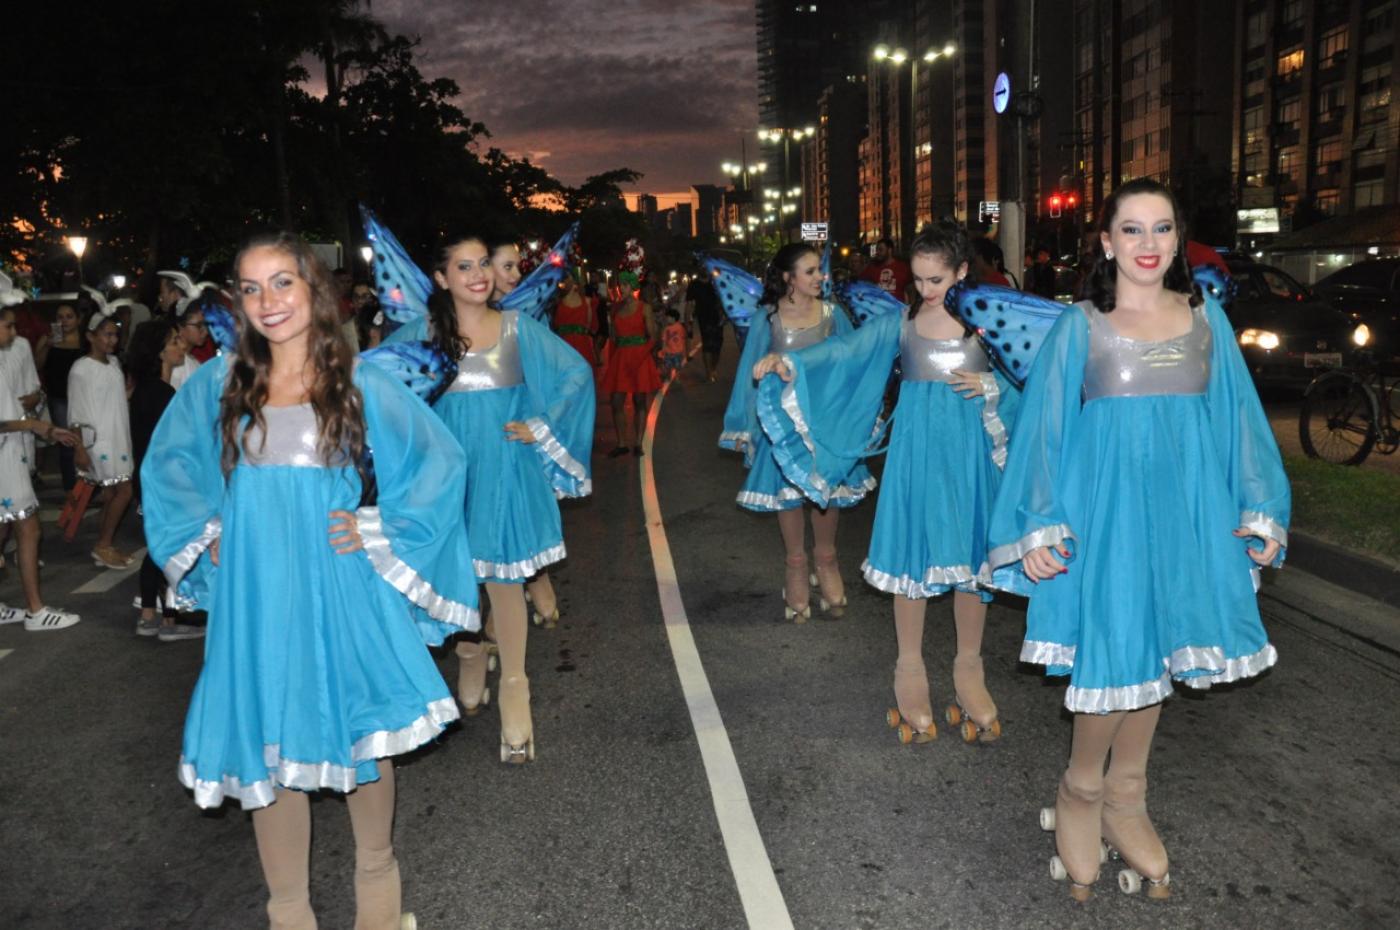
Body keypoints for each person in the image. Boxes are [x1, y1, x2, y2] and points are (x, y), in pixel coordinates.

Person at [143, 232, 478, 929]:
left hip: (340, 583)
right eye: (252, 287)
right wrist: (208, 536)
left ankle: (378, 897)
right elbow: (172, 466)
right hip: (256, 594)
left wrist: (379, 526)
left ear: (314, 290)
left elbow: (439, 461)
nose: (268, 301)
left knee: (360, 733)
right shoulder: (220, 380)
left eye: (283, 283)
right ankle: (289, 913)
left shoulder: (359, 380)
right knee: (270, 744)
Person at [987, 178, 1290, 900]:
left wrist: (1257, 508)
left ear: (1177, 239)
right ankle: (1080, 789)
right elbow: (1044, 432)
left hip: (1186, 518)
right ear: (1106, 242)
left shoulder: (1205, 316)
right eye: (1132, 229)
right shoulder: (1081, 324)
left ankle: (1128, 793)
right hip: (1105, 519)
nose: (1148, 244)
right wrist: (1037, 523)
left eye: (1161, 229)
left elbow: (1239, 419)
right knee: (1115, 652)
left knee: (1156, 649)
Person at [752, 222, 1016, 742]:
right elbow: (842, 354)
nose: (926, 290)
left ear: (963, 272)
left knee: (971, 559)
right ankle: (909, 668)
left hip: (969, 454)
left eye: (936, 279)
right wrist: (789, 360)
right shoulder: (901, 323)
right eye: (917, 280)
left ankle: (969, 667)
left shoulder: (989, 325)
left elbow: (1032, 375)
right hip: (917, 456)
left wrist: (992, 383)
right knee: (911, 555)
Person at [386, 231, 594, 762]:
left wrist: (542, 422)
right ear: (440, 278)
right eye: (463, 266)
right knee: (455, 577)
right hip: (444, 478)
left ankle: (516, 687)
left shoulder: (518, 328)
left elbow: (575, 373)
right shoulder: (420, 335)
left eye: (483, 263)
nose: (478, 274)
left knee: (503, 578)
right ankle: (472, 653)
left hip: (505, 468)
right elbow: (377, 391)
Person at [720, 243, 874, 622]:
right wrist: (747, 425)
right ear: (788, 278)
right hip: (782, 423)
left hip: (826, 419)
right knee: (787, 494)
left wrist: (858, 414)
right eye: (810, 271)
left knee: (825, 493)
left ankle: (827, 560)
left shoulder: (834, 314)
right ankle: (795, 564)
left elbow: (854, 360)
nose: (820, 276)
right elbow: (748, 374)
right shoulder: (767, 319)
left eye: (819, 270)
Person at [0, 306, 81, 631]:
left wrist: (42, 428)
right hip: (4, 460)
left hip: (10, 453)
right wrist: (40, 426)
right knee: (29, 528)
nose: (13, 333)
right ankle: (36, 611)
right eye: (7, 326)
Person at [127, 319, 204, 641]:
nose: (180, 346)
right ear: (159, 352)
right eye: (174, 340)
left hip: (152, 478)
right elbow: (174, 445)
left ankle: (153, 617)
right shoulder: (160, 393)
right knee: (171, 546)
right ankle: (167, 621)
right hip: (165, 480)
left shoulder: (148, 391)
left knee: (162, 544)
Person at [69, 310, 136, 569]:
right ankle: (103, 544)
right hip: (99, 440)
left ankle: (103, 545)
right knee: (124, 490)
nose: (112, 340)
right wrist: (79, 448)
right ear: (90, 336)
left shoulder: (115, 363)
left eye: (115, 335)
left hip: (119, 434)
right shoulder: (81, 369)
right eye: (107, 335)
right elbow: (76, 412)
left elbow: (116, 398)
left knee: (111, 493)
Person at [599, 273, 662, 456]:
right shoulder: (616, 309)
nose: (622, 288)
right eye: (620, 285)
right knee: (616, 401)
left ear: (633, 287)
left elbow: (653, 337)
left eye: (625, 285)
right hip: (621, 358)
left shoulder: (644, 308)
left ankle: (638, 443)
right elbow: (614, 338)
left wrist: (641, 355)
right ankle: (621, 443)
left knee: (639, 400)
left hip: (640, 359)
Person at [38, 303, 84, 490]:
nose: (64, 321)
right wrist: (48, 346)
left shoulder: (85, 341)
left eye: (69, 316)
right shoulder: (48, 339)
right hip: (59, 397)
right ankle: (70, 487)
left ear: (77, 319)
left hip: (82, 397)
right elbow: (37, 365)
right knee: (67, 441)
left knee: (86, 439)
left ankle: (88, 485)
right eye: (60, 317)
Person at [685, 265, 724, 382]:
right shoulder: (694, 284)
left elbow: (723, 299)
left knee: (717, 345)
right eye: (701, 267)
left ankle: (713, 368)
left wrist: (724, 315)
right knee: (707, 344)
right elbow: (689, 304)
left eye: (706, 267)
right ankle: (708, 371)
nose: (704, 269)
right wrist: (688, 321)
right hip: (703, 318)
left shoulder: (715, 283)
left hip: (717, 318)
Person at [553, 274, 599, 367]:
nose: (564, 282)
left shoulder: (587, 302)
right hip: (563, 350)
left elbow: (592, 328)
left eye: (567, 278)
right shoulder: (556, 303)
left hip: (580, 349)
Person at [170, 302, 208, 391]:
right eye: (199, 326)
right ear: (180, 327)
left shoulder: (193, 360)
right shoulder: (177, 364)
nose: (205, 331)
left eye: (206, 325)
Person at [658, 308, 687, 382]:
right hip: (669, 351)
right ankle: (668, 375)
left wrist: (683, 350)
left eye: (668, 318)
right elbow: (664, 339)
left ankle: (677, 376)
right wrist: (663, 349)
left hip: (678, 351)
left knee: (677, 365)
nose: (667, 319)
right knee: (668, 365)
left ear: (673, 318)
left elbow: (683, 338)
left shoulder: (680, 327)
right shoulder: (666, 328)